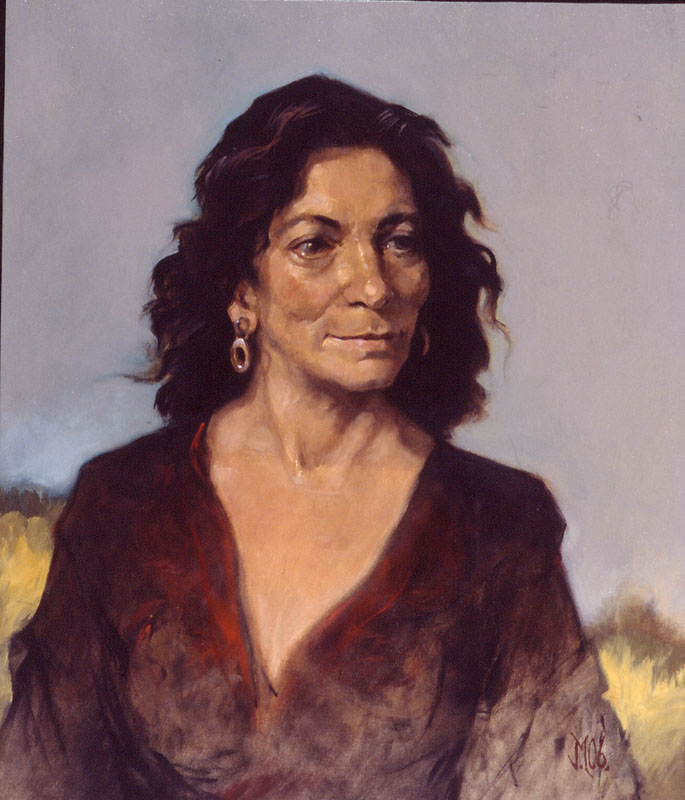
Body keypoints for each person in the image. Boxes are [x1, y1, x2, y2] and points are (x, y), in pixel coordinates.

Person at [0, 75, 640, 799]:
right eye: (315, 245)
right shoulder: (121, 506)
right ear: (241, 292)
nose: (373, 285)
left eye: (399, 242)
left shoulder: (500, 527)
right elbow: (35, 781)